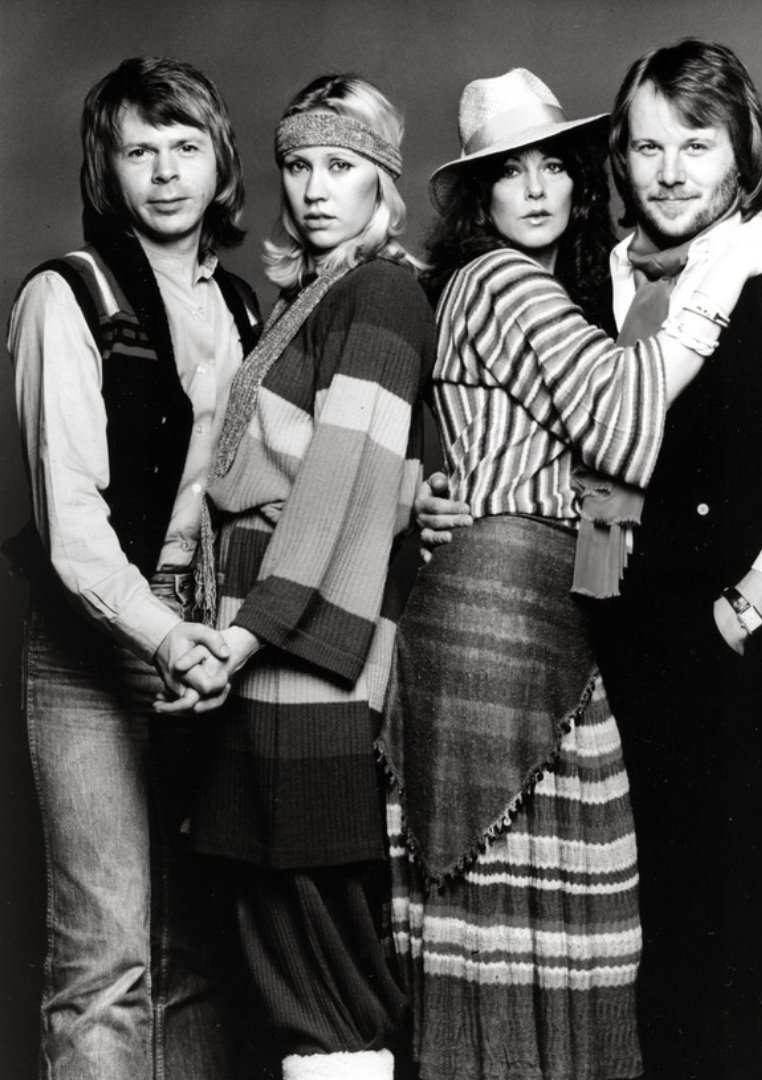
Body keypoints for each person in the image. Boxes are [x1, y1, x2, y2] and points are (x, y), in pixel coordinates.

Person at [417, 40, 762, 1080]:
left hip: (724, 629)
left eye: (694, 145)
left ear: (742, 153)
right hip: (606, 629)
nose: (666, 172)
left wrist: (739, 614)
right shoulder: (592, 276)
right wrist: (442, 499)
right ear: (616, 158)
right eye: (646, 146)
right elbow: (577, 447)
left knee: (728, 911)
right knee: (628, 925)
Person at [155, 74, 435, 1080]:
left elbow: (344, 489)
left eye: (343, 167)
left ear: (381, 180)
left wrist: (243, 635)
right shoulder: (305, 296)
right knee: (275, 928)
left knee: (322, 945)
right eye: (300, 165)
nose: (316, 189)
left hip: (304, 641)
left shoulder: (380, 292)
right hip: (258, 631)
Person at [6, 57, 260, 1079]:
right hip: (98, 639)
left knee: (194, 952)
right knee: (105, 961)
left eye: (185, 146)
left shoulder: (243, 308)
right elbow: (70, 528)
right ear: (106, 169)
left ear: (219, 162)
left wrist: (221, 637)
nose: (164, 173)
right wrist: (167, 637)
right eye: (138, 150)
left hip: (209, 632)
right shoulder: (67, 295)